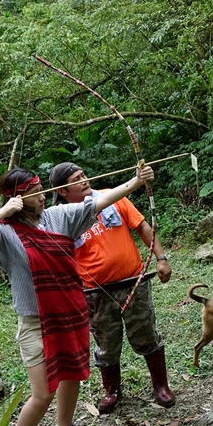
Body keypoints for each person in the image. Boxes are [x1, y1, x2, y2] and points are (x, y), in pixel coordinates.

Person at [0, 164, 152, 426]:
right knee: (43, 393)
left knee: (72, 374)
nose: (41, 195)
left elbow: (100, 202)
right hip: (35, 321)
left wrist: (135, 182)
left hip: (70, 312)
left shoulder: (57, 218)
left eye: (39, 187)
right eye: (32, 191)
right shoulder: (3, 232)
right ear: (17, 198)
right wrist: (3, 212)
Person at [48, 161, 175, 412]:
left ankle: (162, 386)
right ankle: (112, 391)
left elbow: (142, 225)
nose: (84, 180)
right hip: (95, 293)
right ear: (62, 191)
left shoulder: (110, 197)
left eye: (84, 174)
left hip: (133, 282)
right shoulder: (58, 218)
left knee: (147, 335)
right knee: (106, 344)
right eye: (76, 178)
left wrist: (161, 258)